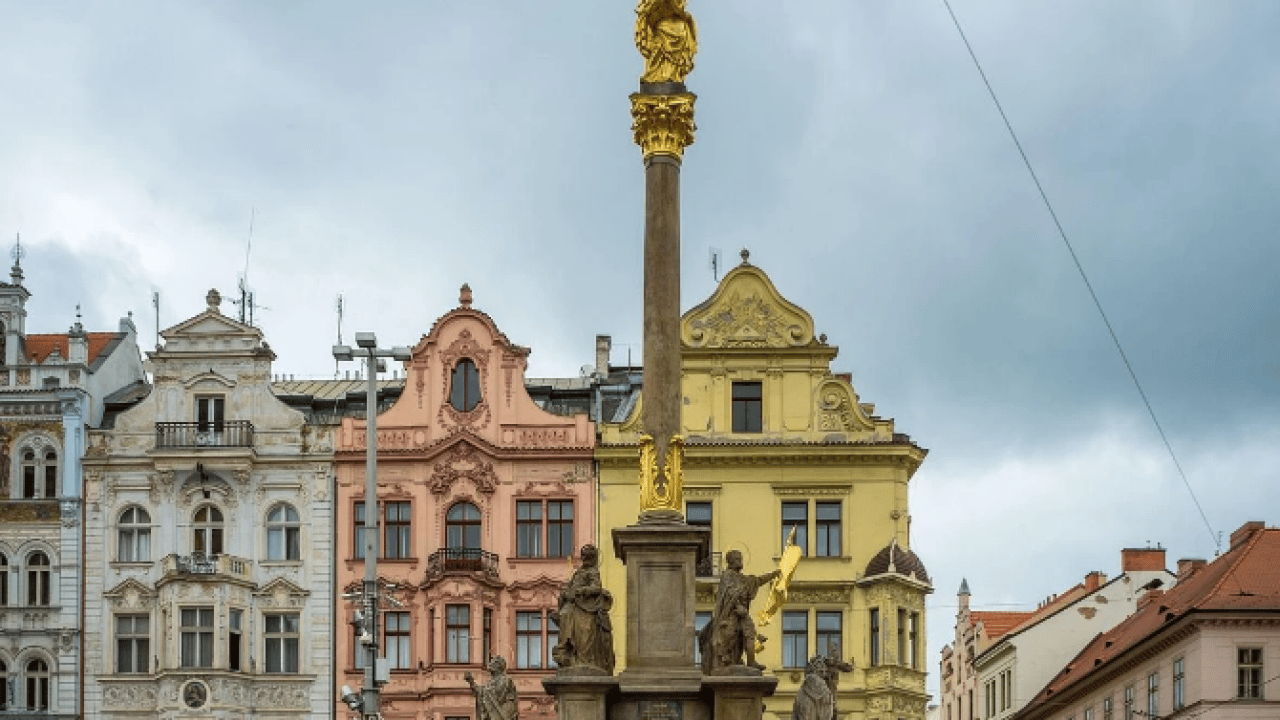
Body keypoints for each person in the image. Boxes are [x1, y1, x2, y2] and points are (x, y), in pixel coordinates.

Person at [699, 549, 780, 672]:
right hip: (730, 614)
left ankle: (751, 662)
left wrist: (774, 574)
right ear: (730, 561)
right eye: (737, 559)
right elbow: (730, 594)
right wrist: (738, 607)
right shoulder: (727, 576)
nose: (740, 561)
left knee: (750, 634)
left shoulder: (743, 578)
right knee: (729, 637)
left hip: (742, 614)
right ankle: (724, 661)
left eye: (740, 558)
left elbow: (757, 581)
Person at [551, 544, 616, 673]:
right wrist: (566, 591)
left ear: (593, 558)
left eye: (588, 556)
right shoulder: (579, 572)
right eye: (584, 555)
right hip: (573, 604)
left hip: (585, 606)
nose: (585, 558)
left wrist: (583, 590)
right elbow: (570, 586)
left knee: (584, 635)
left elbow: (596, 587)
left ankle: (582, 659)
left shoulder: (593, 572)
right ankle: (563, 650)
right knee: (564, 615)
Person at [466, 656, 518, 720]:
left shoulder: (506, 680)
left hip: (501, 714)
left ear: (498, 666)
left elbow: (496, 693)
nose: (490, 664)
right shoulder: (490, 682)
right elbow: (482, 691)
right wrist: (471, 681)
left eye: (493, 662)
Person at [792, 656, 834, 720]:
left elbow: (795, 714)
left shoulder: (802, 692)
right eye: (822, 671)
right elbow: (827, 714)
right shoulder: (825, 691)